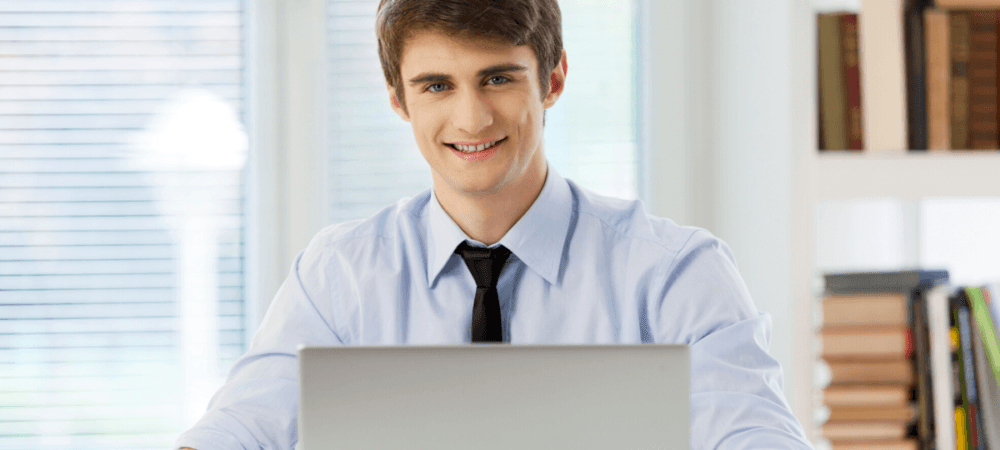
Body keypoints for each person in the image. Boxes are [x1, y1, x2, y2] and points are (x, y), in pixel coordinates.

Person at [176, 0, 814, 448]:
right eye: (436, 86)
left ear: (553, 78)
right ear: (397, 98)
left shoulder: (675, 270)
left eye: (498, 78)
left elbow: (753, 430)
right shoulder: (340, 273)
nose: (472, 118)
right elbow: (246, 422)